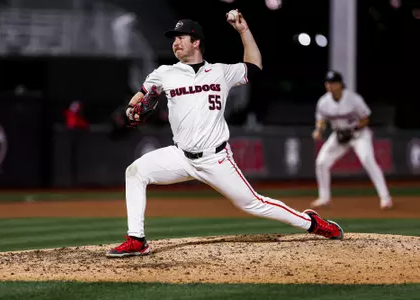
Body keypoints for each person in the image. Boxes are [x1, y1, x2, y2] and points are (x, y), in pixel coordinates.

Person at [106, 10, 344, 258]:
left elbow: (255, 67)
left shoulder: (220, 72)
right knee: (135, 172)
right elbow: (142, 93)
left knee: (254, 204)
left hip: (215, 159)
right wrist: (131, 108)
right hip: (182, 157)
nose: (175, 42)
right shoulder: (165, 73)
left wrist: (243, 30)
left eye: (181, 37)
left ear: (196, 41)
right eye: (173, 38)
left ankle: (312, 223)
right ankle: (137, 239)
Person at [311, 71, 393, 210]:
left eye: (333, 83)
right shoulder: (323, 102)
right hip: (339, 136)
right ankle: (324, 198)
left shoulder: (353, 99)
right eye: (328, 83)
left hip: (358, 135)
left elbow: (365, 118)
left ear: (340, 84)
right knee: (321, 162)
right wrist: (319, 130)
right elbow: (321, 121)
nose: (330, 85)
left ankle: (385, 198)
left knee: (367, 159)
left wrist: (353, 129)